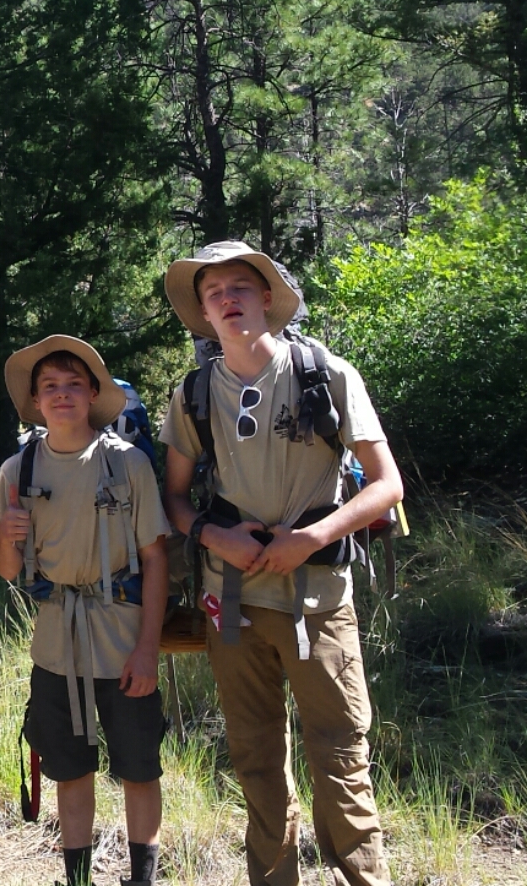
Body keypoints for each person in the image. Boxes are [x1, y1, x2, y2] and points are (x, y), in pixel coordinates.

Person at [158, 242, 404, 886]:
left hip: (318, 600)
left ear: (267, 296)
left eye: (241, 287)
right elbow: (174, 500)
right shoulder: (190, 396)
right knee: (256, 761)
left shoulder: (326, 373)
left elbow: (386, 485)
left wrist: (311, 536)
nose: (229, 300)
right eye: (215, 294)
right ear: (203, 313)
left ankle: (365, 878)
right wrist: (215, 537)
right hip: (231, 606)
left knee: (342, 757)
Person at [0, 336, 168, 886]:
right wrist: (8, 539)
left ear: (94, 393)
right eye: (49, 387)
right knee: (71, 770)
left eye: (73, 384)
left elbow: (155, 560)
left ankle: (143, 877)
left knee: (139, 769)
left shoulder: (127, 463)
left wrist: (147, 650)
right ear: (36, 402)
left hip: (123, 644)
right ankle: (79, 878)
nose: (61, 395)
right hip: (55, 648)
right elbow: (3, 567)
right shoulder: (16, 472)